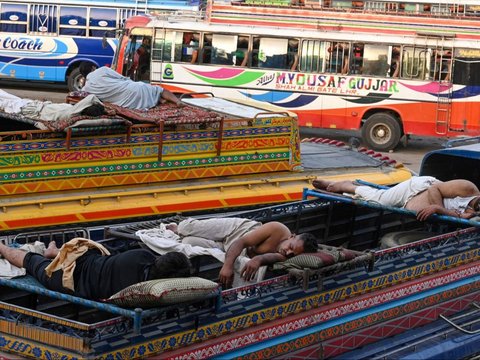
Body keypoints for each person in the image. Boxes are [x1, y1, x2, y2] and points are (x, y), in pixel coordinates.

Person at [0, 238, 192, 300]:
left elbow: (113, 255)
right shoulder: (146, 293)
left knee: (30, 260)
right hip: (76, 281)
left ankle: (3, 247)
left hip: (76, 272)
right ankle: (54, 253)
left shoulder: (141, 257)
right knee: (35, 262)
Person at [165, 218, 319, 289]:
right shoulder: (278, 229)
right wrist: (227, 266)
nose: (288, 251)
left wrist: (258, 259)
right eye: (290, 246)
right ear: (291, 236)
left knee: (188, 242)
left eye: (292, 253)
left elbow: (267, 257)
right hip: (235, 230)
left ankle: (185, 235)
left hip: (227, 247)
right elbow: (241, 242)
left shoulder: (286, 255)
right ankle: (175, 227)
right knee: (186, 229)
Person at [312, 176, 480, 221]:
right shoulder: (467, 188)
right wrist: (438, 207)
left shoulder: (474, 214)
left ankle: (350, 191)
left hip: (410, 202)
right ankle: (348, 186)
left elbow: (447, 213)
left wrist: (439, 210)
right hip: (417, 188)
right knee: (380, 200)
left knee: (374, 200)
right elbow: (433, 188)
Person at [79, 63, 183, 110]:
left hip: (127, 104)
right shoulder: (102, 70)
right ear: (93, 67)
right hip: (135, 88)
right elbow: (123, 78)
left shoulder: (86, 89)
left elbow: (82, 91)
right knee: (159, 89)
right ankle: (177, 101)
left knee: (148, 90)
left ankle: (159, 99)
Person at [0, 89, 106, 122]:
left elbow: (91, 97)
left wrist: (104, 107)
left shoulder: (73, 111)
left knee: (8, 101)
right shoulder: (73, 112)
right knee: (9, 98)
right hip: (34, 106)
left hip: (32, 109)